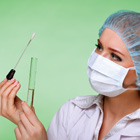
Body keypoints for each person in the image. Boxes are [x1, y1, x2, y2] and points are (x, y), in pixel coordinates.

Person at [1, 10, 140, 140]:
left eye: (115, 56)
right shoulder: (72, 112)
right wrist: (24, 119)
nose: (99, 59)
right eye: (99, 47)